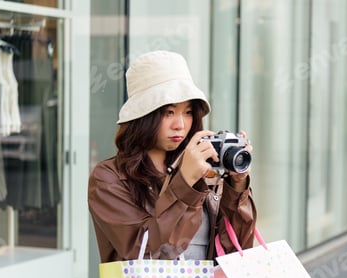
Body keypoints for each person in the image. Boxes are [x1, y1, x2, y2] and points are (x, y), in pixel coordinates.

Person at [88, 50, 257, 262]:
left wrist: (237, 186)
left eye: (187, 112)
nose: (180, 125)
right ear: (143, 116)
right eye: (169, 112)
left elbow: (237, 249)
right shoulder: (109, 178)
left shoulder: (204, 167)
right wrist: (185, 183)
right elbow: (150, 254)